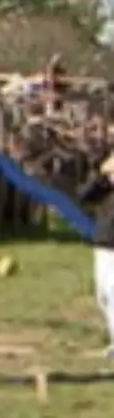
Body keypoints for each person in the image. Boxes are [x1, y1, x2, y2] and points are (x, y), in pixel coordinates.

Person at [78, 152, 114, 355]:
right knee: (103, 296)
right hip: (103, 244)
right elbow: (84, 196)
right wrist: (101, 173)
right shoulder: (106, 184)